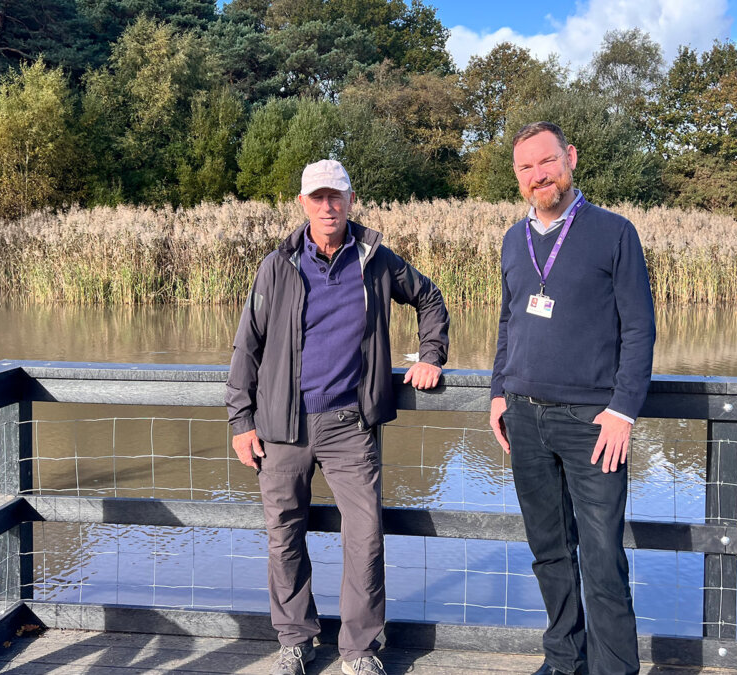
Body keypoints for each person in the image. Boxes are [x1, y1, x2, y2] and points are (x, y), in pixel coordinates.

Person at [225, 159, 449, 675]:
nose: (328, 206)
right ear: (302, 204)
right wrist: (241, 420)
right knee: (284, 535)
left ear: (351, 201)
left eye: (337, 196)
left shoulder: (375, 260)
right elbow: (247, 347)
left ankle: (359, 651)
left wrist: (431, 355)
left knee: (365, 536)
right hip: (282, 427)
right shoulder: (276, 265)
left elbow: (430, 298)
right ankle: (295, 641)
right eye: (318, 197)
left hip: (351, 424)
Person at [489, 122, 656, 675]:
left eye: (546, 162)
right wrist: (498, 392)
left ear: (571, 158)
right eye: (526, 168)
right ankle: (565, 660)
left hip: (593, 422)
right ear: (516, 177)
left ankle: (614, 670)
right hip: (525, 420)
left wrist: (623, 410)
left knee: (604, 560)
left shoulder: (614, 232)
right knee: (549, 552)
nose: (538, 175)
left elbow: (639, 329)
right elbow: (508, 321)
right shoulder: (514, 240)